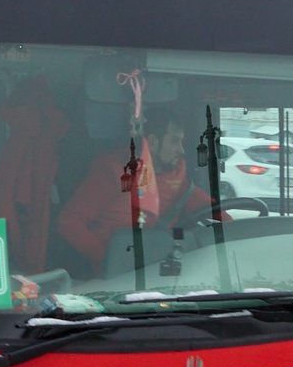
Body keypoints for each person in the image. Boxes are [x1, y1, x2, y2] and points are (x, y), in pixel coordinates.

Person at [56, 107, 217, 269]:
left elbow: (210, 209)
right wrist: (109, 261)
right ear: (153, 142)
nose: (181, 150)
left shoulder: (176, 174)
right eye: (175, 141)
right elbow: (69, 222)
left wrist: (237, 232)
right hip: (116, 277)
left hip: (164, 267)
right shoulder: (114, 170)